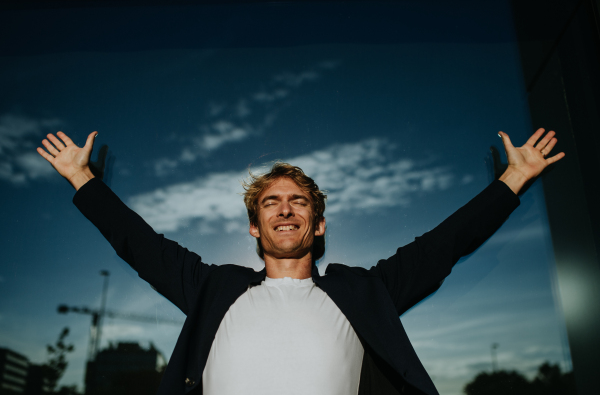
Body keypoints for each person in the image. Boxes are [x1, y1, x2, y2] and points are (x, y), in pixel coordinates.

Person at [37, 129, 564, 395]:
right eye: (270, 202)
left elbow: (444, 245)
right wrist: (83, 180)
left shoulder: (363, 293)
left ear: (319, 224)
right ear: (253, 226)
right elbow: (142, 247)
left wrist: (513, 180)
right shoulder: (214, 289)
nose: (285, 209)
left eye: (298, 202)